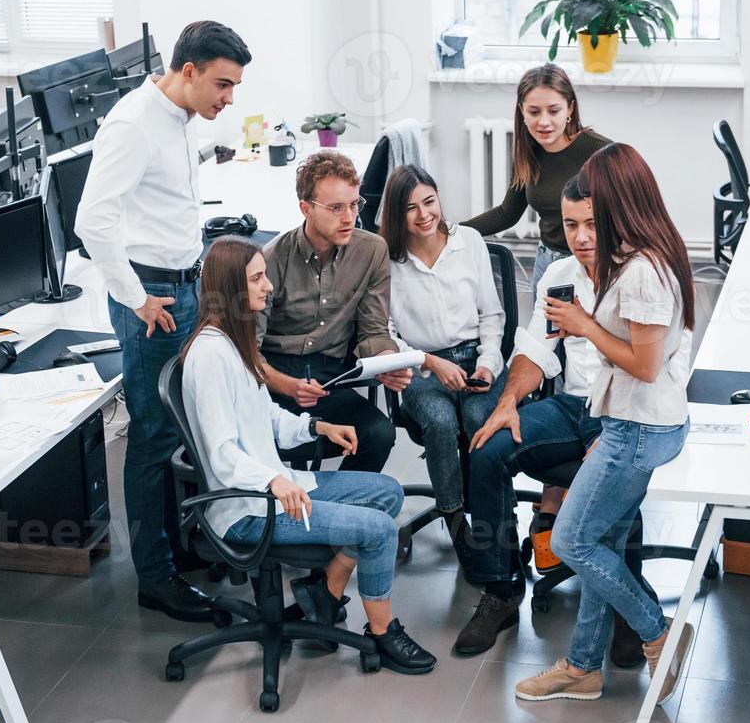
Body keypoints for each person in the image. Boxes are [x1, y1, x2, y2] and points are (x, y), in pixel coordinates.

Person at [182, 238, 435, 673]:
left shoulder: (235, 345)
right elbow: (223, 454)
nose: (268, 288)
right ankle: (382, 631)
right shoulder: (210, 357)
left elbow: (269, 420)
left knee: (388, 493)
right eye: (257, 279)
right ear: (230, 291)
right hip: (248, 508)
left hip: (274, 485)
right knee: (377, 529)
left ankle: (325, 592)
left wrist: (317, 427)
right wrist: (274, 482)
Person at [459, 177, 678, 661]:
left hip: (625, 411)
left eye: (592, 225)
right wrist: (508, 402)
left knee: (616, 480)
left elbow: (652, 371)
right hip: (572, 405)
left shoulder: (640, 278)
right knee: (489, 448)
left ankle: (627, 605)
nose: (580, 237)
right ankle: (501, 588)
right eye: (571, 225)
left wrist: (617, 426)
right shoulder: (560, 273)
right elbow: (536, 349)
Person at [76, 20, 249, 622]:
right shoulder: (132, 123)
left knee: (180, 422)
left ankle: (176, 546)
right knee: (151, 435)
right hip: (151, 297)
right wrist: (135, 299)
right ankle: (156, 576)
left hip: (181, 284)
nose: (229, 100)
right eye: (223, 86)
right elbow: (92, 221)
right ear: (189, 71)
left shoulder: (175, 119)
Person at [513, 144, 695, 704]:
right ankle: (583, 667)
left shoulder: (642, 272)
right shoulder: (649, 253)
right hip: (634, 422)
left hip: (636, 428)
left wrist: (585, 326)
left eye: (598, 212)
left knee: (570, 540)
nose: (587, 229)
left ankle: (658, 631)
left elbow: (641, 364)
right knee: (603, 541)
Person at [380, 165, 507, 565]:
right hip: (418, 364)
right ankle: (455, 519)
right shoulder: (386, 258)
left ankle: (495, 516)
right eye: (410, 208)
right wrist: (429, 362)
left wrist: (487, 364)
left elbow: (491, 315)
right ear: (396, 215)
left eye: (429, 202)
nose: (423, 215)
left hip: (473, 356)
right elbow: (383, 332)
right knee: (439, 419)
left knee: (478, 416)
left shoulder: (467, 241)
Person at [257, 150, 414, 471]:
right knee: (256, 440)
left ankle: (344, 510)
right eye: (336, 207)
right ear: (306, 209)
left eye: (355, 204)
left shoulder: (371, 250)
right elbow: (247, 350)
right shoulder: (271, 259)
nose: (349, 217)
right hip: (273, 379)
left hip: (331, 376)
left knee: (378, 434)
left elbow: (373, 330)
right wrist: (286, 384)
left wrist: (385, 361)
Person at [462, 63, 609, 293]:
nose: (543, 122)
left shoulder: (600, 153)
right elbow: (507, 213)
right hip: (546, 261)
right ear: (522, 111)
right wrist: (452, 232)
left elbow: (631, 218)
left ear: (570, 108)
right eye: (534, 112)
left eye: (554, 110)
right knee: (542, 330)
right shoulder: (527, 152)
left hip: (590, 263)